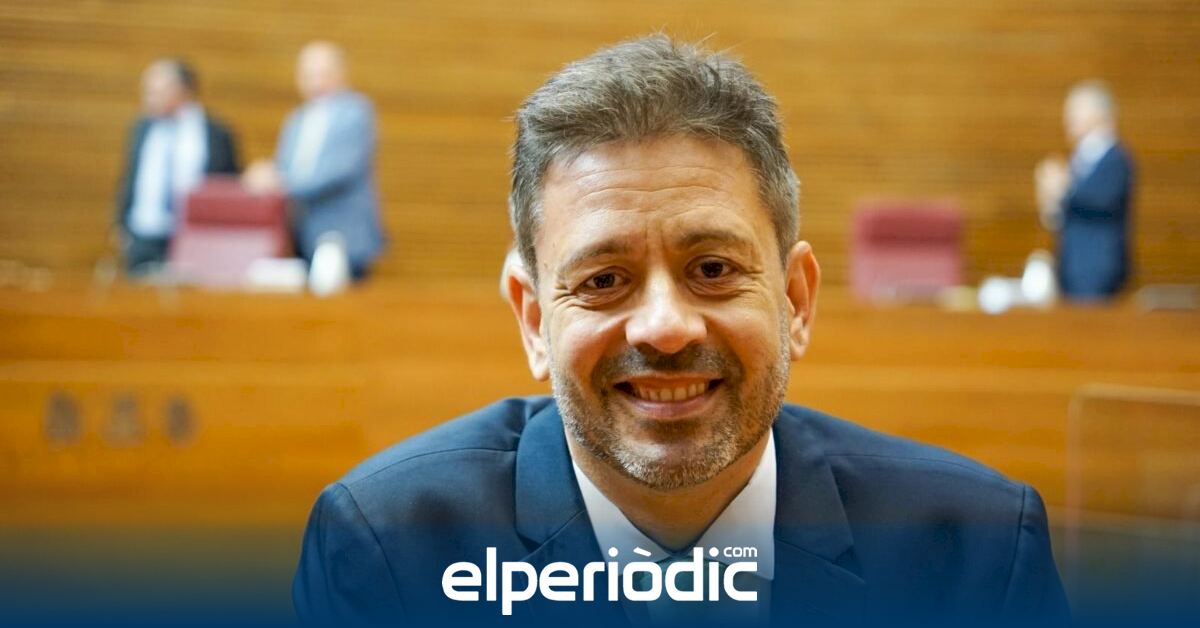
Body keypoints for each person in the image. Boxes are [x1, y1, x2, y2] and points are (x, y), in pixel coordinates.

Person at [294, 36, 1069, 625]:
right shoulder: (386, 553)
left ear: (796, 301)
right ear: (533, 319)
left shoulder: (979, 554)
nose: (665, 327)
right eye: (603, 281)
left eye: (713, 269)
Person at [243, 41, 385, 280]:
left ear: (341, 74)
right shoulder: (297, 119)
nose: (316, 82)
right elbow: (286, 166)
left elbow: (340, 170)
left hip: (343, 233)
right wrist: (266, 175)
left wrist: (281, 183)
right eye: (309, 75)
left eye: (323, 74)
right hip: (301, 231)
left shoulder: (355, 112)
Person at [114, 58, 240, 275]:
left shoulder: (216, 133)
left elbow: (228, 185)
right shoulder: (141, 128)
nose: (148, 98)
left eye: (156, 91)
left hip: (195, 236)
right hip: (144, 235)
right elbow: (130, 177)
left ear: (183, 91)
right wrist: (120, 224)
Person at [1035, 80, 1135, 301]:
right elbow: (1062, 215)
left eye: (1075, 110)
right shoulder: (1079, 159)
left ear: (1099, 113)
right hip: (1071, 266)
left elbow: (1099, 200)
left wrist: (1062, 186)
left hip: (1098, 268)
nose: (1067, 118)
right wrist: (1050, 197)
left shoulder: (1116, 159)